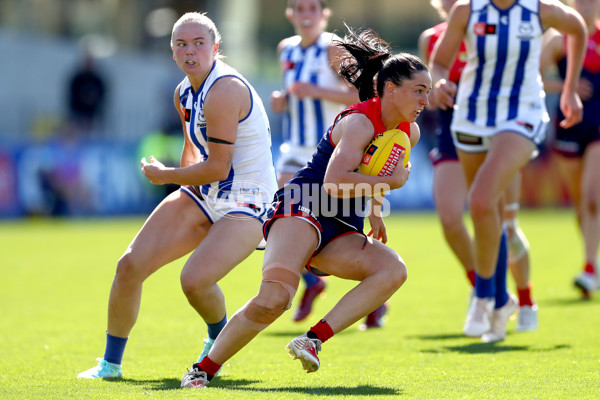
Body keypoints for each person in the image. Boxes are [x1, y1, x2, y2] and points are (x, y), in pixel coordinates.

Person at [180, 27, 431, 388]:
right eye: (419, 91)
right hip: (304, 205)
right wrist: (387, 186)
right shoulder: (359, 121)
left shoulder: (410, 132)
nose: (425, 100)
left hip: (342, 221)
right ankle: (202, 370)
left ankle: (311, 340)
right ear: (391, 89)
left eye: (428, 92)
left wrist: (375, 209)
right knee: (274, 300)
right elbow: (334, 181)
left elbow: (378, 169)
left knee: (393, 269)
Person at [77, 12, 278, 379]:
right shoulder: (183, 91)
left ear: (216, 48)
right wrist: (180, 178)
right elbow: (192, 150)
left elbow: (218, 167)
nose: (190, 52)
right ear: (172, 52)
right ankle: (110, 365)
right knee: (129, 266)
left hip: (248, 201)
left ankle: (217, 341)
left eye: (199, 43)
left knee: (194, 280)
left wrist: (166, 175)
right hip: (204, 192)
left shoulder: (225, 89)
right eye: (181, 44)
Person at [430, 0, 586, 342]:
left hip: (522, 114)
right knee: (486, 213)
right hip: (471, 115)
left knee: (484, 201)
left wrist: (570, 89)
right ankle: (501, 303)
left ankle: (484, 296)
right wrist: (439, 83)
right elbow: (440, 63)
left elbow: (577, 28)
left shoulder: (540, 9)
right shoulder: (466, 10)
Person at [419, 0, 537, 332]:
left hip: (499, 132)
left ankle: (522, 300)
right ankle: (486, 290)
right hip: (453, 131)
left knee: (505, 225)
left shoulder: (501, 27)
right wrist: (436, 90)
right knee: (450, 218)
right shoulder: (431, 39)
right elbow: (427, 84)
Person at [270, 0, 367, 325]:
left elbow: (360, 96)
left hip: (329, 150)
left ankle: (370, 293)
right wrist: (283, 100)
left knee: (335, 227)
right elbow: (293, 92)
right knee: (282, 214)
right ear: (290, 15)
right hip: (295, 147)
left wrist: (315, 90)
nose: (306, 13)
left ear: (323, 14)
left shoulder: (333, 50)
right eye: (299, 8)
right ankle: (313, 281)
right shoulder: (287, 49)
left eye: (312, 7)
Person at [540, 0, 600, 299]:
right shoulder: (557, 39)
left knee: (591, 197)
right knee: (581, 204)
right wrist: (566, 86)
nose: (587, 4)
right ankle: (594, 262)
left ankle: (589, 268)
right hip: (567, 127)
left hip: (598, 129)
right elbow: (533, 76)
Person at [67, 50, 107, 134]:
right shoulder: (78, 79)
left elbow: (102, 95)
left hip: (92, 115)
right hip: (78, 114)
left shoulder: (97, 80)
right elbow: (72, 95)